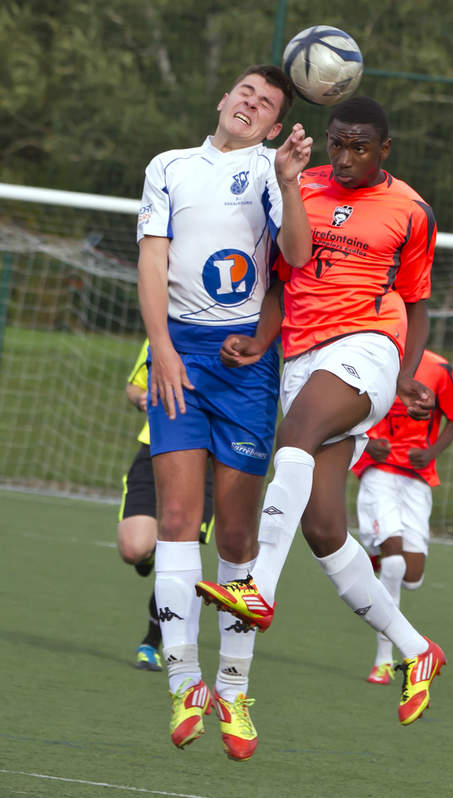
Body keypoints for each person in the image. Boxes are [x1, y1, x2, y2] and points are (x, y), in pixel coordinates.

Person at [195, 96, 447, 727]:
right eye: (338, 142)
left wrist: (409, 373)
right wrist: (260, 338)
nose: (346, 155)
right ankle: (418, 652)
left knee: (297, 433)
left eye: (360, 146)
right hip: (302, 353)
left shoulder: (411, 211)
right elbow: (287, 274)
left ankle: (258, 590)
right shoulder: (300, 182)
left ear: (384, 149)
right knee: (325, 528)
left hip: (368, 345)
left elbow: (415, 303)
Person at [137, 63, 313, 760]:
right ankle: (185, 683)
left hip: (244, 366)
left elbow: (296, 255)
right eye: (245, 91)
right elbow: (153, 261)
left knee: (236, 539)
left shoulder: (274, 170)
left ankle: (234, 691)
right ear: (223, 98)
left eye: (266, 103)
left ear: (274, 125)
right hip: (177, 350)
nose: (251, 103)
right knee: (178, 519)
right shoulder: (170, 166)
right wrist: (161, 349)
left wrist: (293, 178)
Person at [355, 348, 453, 684]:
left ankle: (374, 553)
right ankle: (384, 659)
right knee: (395, 563)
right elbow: (349, 409)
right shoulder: (372, 355)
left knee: (411, 577)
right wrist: (366, 442)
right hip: (378, 472)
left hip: (416, 480)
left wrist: (431, 453)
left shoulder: (440, 369)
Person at [116, 338, 214, 672]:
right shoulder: (161, 334)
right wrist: (141, 398)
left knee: (180, 554)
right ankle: (150, 552)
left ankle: (150, 643)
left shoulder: (235, 336)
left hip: (207, 459)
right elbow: (133, 387)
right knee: (133, 548)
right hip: (155, 448)